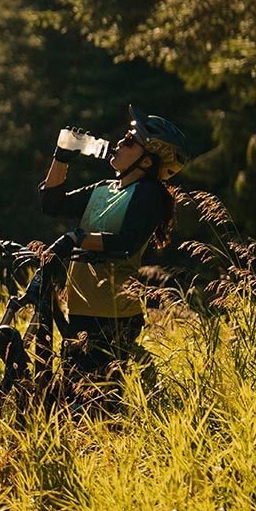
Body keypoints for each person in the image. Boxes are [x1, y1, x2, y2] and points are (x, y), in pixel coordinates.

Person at [38, 106, 189, 393]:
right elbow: (51, 204)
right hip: (82, 308)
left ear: (148, 161)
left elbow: (127, 242)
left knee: (93, 404)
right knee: (73, 399)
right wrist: (62, 157)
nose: (119, 142)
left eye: (131, 141)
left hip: (113, 317)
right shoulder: (105, 188)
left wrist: (76, 238)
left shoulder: (149, 194)